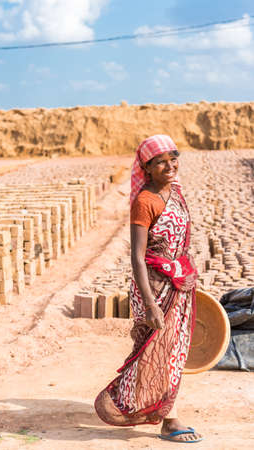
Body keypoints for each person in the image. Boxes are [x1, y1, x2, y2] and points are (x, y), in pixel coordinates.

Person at [95, 135, 203, 443]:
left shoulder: (176, 191)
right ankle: (168, 418)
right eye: (160, 162)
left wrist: (186, 274)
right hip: (154, 287)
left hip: (178, 283)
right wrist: (152, 305)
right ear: (147, 168)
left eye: (173, 158)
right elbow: (137, 257)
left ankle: (154, 405)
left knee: (171, 349)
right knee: (156, 349)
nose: (169, 166)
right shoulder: (145, 201)